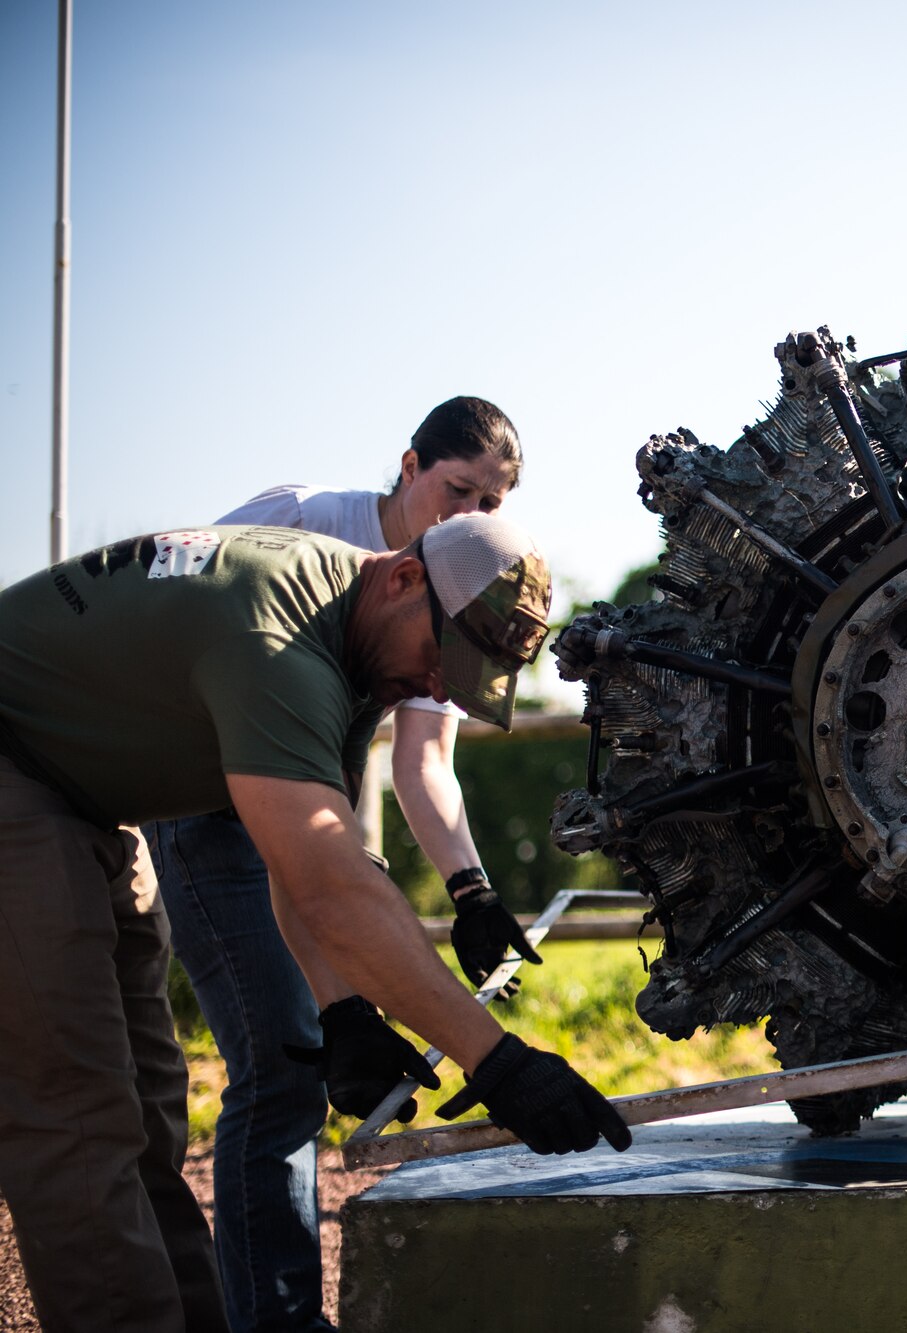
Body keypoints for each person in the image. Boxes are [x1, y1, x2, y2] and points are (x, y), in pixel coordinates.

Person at [0, 513, 631, 1333]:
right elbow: (330, 885)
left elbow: (301, 858)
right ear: (404, 580)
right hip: (18, 771)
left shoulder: (357, 645)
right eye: (444, 660)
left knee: (149, 1104)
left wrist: (342, 1014)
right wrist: (498, 1061)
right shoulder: (280, 640)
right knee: (77, 1116)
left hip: (90, 799)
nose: (442, 688)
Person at [141, 395, 540, 1332]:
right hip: (197, 786)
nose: (468, 514)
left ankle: (261, 1308)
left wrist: (472, 890)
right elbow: (165, 612)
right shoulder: (302, 522)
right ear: (408, 465)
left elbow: (424, 762)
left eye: (491, 501)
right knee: (281, 1059)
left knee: (308, 1054)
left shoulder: (465, 587)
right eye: (456, 488)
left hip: (306, 813)